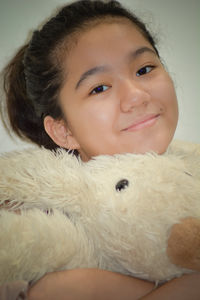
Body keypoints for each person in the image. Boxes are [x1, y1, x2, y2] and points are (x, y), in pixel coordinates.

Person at [0, 0, 199, 299]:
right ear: (64, 131)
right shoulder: (39, 228)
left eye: (145, 69)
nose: (137, 96)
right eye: (99, 88)